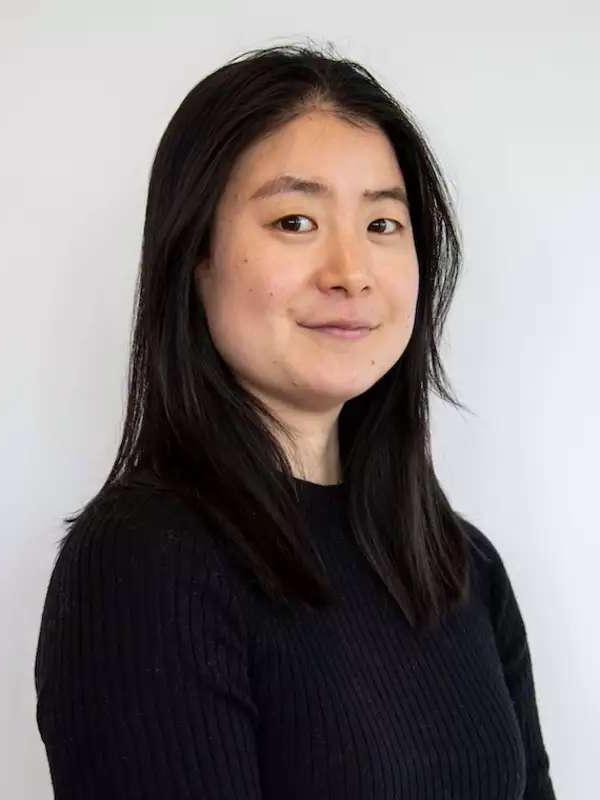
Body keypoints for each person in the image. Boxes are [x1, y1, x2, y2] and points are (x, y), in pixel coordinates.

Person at [34, 41, 557, 798]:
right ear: (196, 260)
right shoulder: (145, 561)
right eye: (294, 221)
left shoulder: (462, 567)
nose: (351, 271)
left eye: (383, 225)